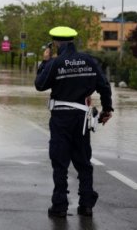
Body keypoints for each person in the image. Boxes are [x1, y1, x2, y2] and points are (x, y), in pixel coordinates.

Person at [35, 26, 113, 218]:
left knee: (60, 162)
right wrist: (107, 110)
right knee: (83, 162)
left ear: (55, 43)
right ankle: (86, 205)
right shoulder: (89, 61)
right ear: (72, 41)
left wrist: (44, 63)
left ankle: (60, 206)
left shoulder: (55, 63)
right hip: (82, 119)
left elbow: (39, 85)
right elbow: (104, 86)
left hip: (61, 118)